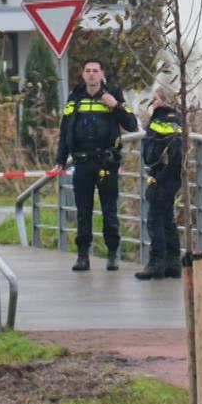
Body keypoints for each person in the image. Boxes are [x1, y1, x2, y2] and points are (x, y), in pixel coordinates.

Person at [54, 59, 139, 271]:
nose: (91, 74)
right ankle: (83, 256)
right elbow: (65, 131)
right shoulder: (75, 97)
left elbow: (132, 124)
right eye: (88, 71)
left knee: (109, 210)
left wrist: (115, 106)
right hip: (82, 162)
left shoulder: (113, 94)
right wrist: (60, 160)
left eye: (95, 71)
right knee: (83, 212)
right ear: (83, 75)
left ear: (102, 74)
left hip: (106, 163)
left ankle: (112, 255)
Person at [135, 89, 186, 281]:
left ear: (165, 101)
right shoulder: (174, 119)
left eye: (155, 99)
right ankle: (173, 263)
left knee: (155, 219)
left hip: (163, 177)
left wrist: (162, 174)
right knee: (166, 218)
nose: (152, 102)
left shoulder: (165, 120)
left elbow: (171, 150)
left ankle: (156, 262)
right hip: (169, 176)